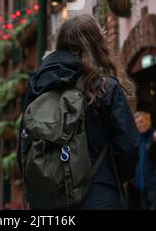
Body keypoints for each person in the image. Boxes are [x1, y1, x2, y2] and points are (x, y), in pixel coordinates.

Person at [18, 14, 139, 210]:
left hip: (49, 201)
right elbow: (128, 147)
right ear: (96, 43)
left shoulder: (39, 85)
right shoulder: (105, 86)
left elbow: (24, 145)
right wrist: (113, 176)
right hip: (98, 195)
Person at [134, 111, 156, 210]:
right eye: (137, 123)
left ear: (148, 121)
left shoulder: (154, 138)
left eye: (141, 121)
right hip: (141, 186)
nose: (139, 125)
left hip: (153, 186)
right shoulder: (138, 140)